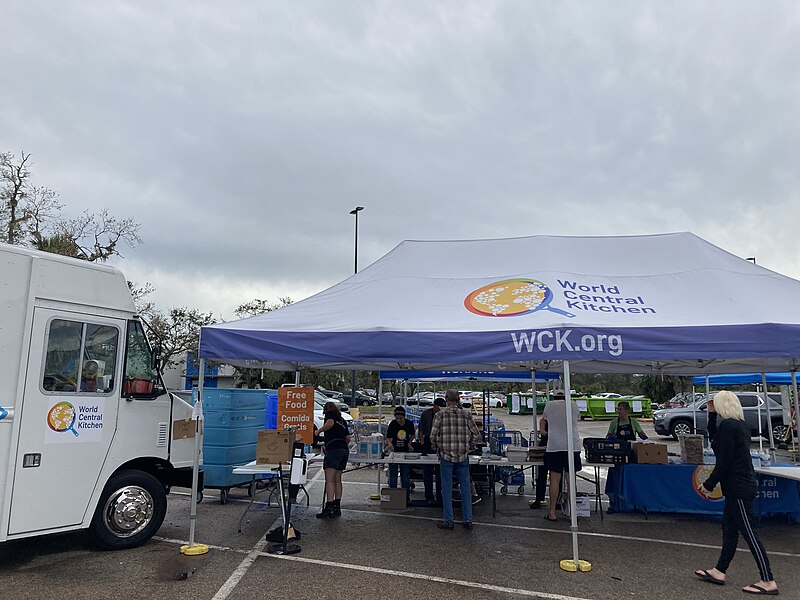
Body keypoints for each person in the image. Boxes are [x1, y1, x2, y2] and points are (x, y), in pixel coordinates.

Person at [694, 391, 779, 595]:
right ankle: (719, 570)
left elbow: (724, 460)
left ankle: (768, 580)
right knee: (729, 528)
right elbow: (716, 441)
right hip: (738, 486)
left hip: (738, 487)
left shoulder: (730, 426)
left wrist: (709, 483)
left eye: (716, 405)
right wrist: (712, 414)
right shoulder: (737, 424)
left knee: (749, 532)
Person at [430, 389, 481, 530]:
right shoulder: (466, 414)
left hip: (446, 456)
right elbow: (477, 435)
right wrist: (469, 447)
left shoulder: (440, 415)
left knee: (446, 488)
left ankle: (448, 520)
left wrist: (438, 448)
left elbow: (432, 437)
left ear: (446, 399)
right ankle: (468, 520)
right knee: (465, 488)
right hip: (462, 456)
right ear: (458, 399)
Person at [541, 390, 581, 522]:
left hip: (555, 445)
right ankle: (572, 513)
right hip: (572, 445)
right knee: (571, 481)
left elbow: (544, 420)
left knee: (554, 480)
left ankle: (552, 512)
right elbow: (577, 419)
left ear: (554, 397)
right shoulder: (573, 405)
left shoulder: (549, 405)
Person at [316, 402, 350, 519]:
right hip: (344, 450)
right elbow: (348, 438)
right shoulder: (342, 420)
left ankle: (329, 506)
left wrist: (319, 431)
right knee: (337, 480)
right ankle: (337, 506)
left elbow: (329, 424)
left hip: (333, 449)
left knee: (329, 480)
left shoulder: (330, 415)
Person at [386, 406, 416, 504]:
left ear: (404, 417)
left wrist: (409, 443)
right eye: (397, 418)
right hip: (394, 453)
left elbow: (412, 434)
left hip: (405, 452)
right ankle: (393, 497)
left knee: (405, 476)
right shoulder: (392, 424)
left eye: (401, 418)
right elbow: (388, 438)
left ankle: (406, 497)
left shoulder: (409, 424)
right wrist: (390, 445)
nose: (399, 420)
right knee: (393, 476)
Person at [418, 397, 445, 506]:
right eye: (439, 407)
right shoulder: (426, 414)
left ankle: (440, 496)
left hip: (441, 442)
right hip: (428, 442)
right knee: (427, 472)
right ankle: (429, 496)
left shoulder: (444, 414)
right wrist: (422, 443)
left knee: (440, 473)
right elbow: (421, 429)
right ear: (435, 406)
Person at [530, 415, 548, 509]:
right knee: (541, 475)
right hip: (544, 449)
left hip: (554, 448)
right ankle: (539, 499)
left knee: (557, 476)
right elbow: (542, 431)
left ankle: (558, 500)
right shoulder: (544, 420)